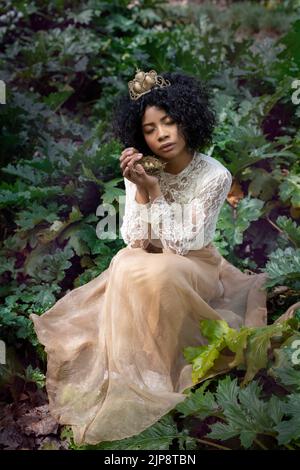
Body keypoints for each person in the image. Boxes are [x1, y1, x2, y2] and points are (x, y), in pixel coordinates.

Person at [29, 68, 298, 446]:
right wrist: (139, 189)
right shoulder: (140, 170)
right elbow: (134, 239)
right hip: (150, 259)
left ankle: (161, 368)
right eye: (151, 129)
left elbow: (183, 243)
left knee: (160, 272)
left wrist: (155, 192)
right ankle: (136, 365)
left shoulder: (214, 175)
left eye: (169, 122)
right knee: (126, 262)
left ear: (187, 120)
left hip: (196, 264)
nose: (162, 135)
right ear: (141, 135)